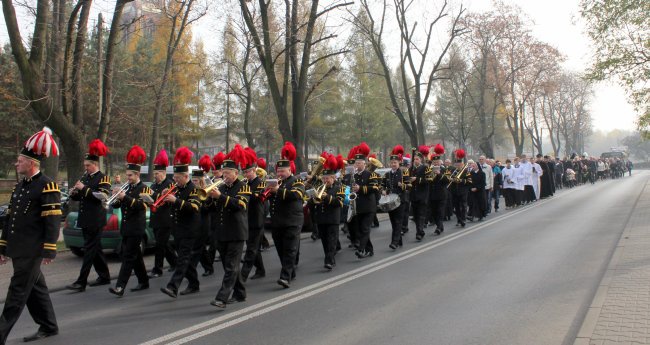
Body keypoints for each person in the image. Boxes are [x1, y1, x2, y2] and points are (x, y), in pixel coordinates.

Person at [0, 127, 60, 344]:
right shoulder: (20, 187)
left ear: (31, 163)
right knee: (36, 289)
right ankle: (49, 325)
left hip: (32, 250)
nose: (16, 164)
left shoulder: (46, 185)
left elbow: (52, 220)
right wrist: (3, 247)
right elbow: (10, 219)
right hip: (19, 249)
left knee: (16, 294)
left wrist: (49, 249)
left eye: (19, 161)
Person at [66, 139, 112, 292]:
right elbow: (81, 197)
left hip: (96, 219)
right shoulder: (86, 178)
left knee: (89, 250)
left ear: (95, 164)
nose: (85, 168)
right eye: (85, 165)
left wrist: (84, 189)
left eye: (88, 165)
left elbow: (103, 196)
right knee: (96, 248)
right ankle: (104, 276)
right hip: (85, 218)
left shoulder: (103, 178)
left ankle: (81, 281)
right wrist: (74, 194)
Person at [208, 145, 250, 308]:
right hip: (222, 232)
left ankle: (222, 297)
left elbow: (240, 205)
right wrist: (210, 198)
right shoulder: (221, 187)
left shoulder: (243, 187)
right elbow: (212, 208)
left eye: (227, 173)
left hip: (237, 232)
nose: (224, 176)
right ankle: (240, 293)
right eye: (223, 173)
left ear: (235, 173)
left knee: (231, 266)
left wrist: (220, 197)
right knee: (229, 266)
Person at [108, 145, 151, 297]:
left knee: (128, 256)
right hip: (126, 227)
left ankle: (120, 286)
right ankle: (144, 281)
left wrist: (124, 197)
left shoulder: (144, 188)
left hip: (137, 228)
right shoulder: (127, 188)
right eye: (127, 175)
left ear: (137, 174)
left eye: (130, 176)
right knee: (135, 256)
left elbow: (142, 205)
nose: (128, 178)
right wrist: (115, 198)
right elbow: (118, 204)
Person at [160, 147, 202, 298]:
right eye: (174, 178)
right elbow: (174, 207)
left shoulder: (194, 189)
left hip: (190, 230)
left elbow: (195, 207)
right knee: (185, 259)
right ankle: (194, 283)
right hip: (178, 229)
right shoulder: (176, 188)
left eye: (178, 178)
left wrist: (176, 200)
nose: (175, 180)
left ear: (186, 176)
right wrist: (167, 197)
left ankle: (173, 287)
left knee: (183, 259)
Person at [267, 142, 305, 288]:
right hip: (277, 222)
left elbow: (297, 195)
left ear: (289, 170)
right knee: (280, 249)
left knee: (289, 250)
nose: (280, 174)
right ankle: (291, 272)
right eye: (278, 171)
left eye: (282, 171)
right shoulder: (275, 182)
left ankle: (285, 277)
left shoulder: (297, 181)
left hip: (292, 221)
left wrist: (278, 190)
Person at [310, 153, 345, 269]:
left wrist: (326, 197)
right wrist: (313, 199)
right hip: (321, 219)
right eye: (324, 178)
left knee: (331, 241)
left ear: (333, 178)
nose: (325, 180)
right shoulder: (319, 187)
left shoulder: (339, 188)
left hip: (333, 219)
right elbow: (313, 202)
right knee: (324, 241)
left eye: (327, 178)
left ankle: (329, 261)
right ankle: (329, 258)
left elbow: (339, 202)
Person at [149, 149, 177, 278]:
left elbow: (169, 201)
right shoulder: (154, 185)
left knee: (160, 245)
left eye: (157, 173)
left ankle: (157, 269)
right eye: (154, 173)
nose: (155, 175)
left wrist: (156, 196)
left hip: (166, 219)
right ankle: (175, 263)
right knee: (163, 244)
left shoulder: (170, 184)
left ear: (164, 172)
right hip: (155, 218)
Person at [349, 142, 380, 258]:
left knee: (365, 228)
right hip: (358, 206)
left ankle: (361, 249)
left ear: (364, 164)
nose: (357, 165)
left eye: (359, 163)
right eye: (356, 163)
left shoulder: (370, 174)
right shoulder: (354, 176)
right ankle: (369, 250)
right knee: (361, 229)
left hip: (369, 206)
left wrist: (360, 188)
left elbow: (375, 187)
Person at [240, 151, 267, 281]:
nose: (246, 174)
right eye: (244, 172)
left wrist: (245, 189)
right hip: (246, 219)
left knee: (251, 250)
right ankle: (261, 269)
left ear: (254, 170)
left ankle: (242, 276)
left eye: (248, 172)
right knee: (253, 247)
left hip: (257, 219)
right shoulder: (245, 183)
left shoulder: (261, 182)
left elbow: (258, 199)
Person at [383, 146, 406, 249]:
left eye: (395, 163)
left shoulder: (403, 173)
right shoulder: (387, 174)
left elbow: (409, 185)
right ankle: (399, 240)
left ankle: (394, 242)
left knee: (398, 221)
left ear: (398, 163)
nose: (393, 164)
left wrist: (403, 185)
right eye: (392, 163)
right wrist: (383, 191)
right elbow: (382, 186)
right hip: (390, 201)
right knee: (393, 222)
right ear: (390, 164)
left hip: (400, 200)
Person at [410, 146, 430, 241]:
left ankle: (419, 233)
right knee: (416, 216)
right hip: (413, 196)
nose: (415, 161)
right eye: (414, 159)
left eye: (417, 159)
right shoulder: (411, 169)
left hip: (422, 195)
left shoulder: (425, 168)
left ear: (421, 159)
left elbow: (429, 180)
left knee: (421, 215)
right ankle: (420, 231)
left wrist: (417, 179)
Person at [447, 149, 471, 227]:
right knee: (456, 206)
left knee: (463, 206)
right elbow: (448, 178)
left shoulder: (466, 171)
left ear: (462, 164)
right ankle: (459, 220)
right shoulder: (453, 171)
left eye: (459, 165)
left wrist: (460, 180)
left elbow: (469, 181)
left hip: (463, 191)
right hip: (454, 191)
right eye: (456, 165)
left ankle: (463, 219)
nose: (457, 166)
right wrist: (451, 179)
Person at [428, 144, 447, 235]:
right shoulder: (429, 170)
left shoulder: (444, 169)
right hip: (432, 194)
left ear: (440, 162)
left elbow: (447, 180)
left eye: (437, 161)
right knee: (434, 212)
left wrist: (439, 174)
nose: (436, 163)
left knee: (440, 211)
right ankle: (440, 226)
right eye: (434, 162)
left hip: (441, 194)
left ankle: (438, 228)